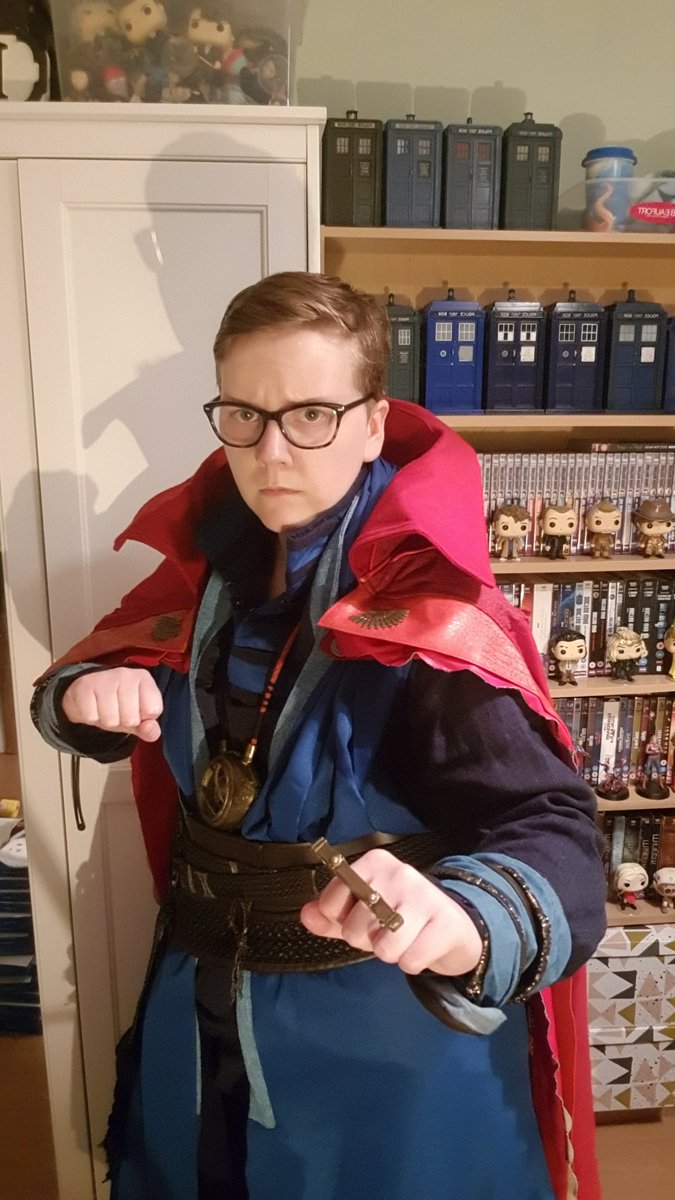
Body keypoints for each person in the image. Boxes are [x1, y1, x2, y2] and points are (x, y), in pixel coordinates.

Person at [32, 271, 607, 1200]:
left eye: (310, 415)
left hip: (379, 1052)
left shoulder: (434, 615)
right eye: (244, 415)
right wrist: (86, 696)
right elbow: (96, 681)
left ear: (373, 423)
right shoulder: (206, 564)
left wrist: (467, 917)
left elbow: (553, 828)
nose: (271, 452)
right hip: (197, 1005)